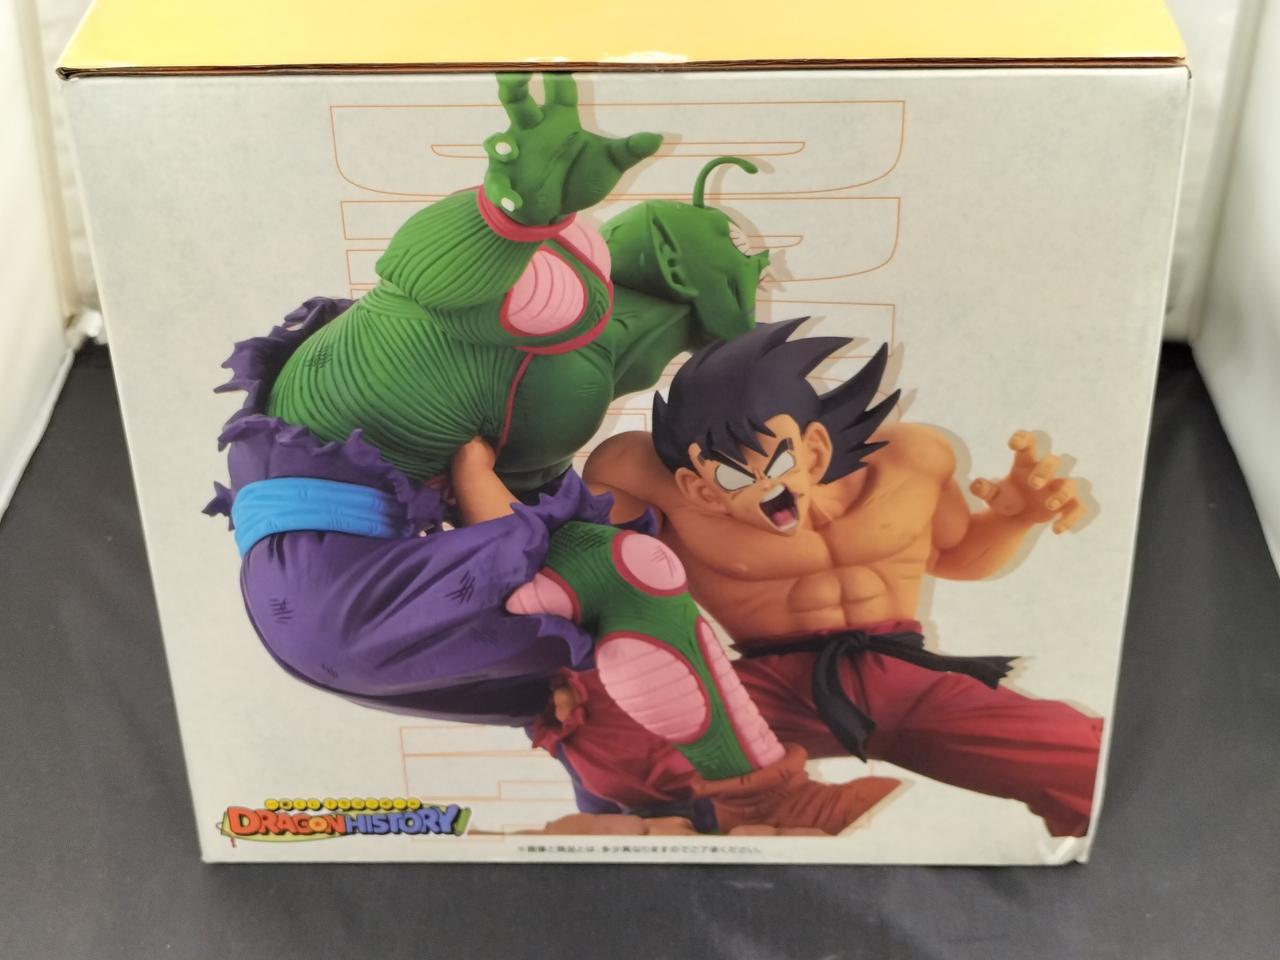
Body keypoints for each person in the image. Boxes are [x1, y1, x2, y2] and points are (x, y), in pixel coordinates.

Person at [207, 75, 892, 834]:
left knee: (590, 664)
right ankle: (763, 799)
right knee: (625, 573)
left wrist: (516, 212)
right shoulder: (490, 335)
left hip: (316, 610)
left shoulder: (532, 355)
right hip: (343, 603)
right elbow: (424, 287)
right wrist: (512, 205)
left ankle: (655, 814)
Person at [538, 319, 1101, 837]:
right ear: (699, 486)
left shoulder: (912, 460)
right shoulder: (658, 492)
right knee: (598, 725)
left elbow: (957, 556)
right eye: (733, 477)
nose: (766, 487)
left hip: (907, 679)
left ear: (813, 449)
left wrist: (1016, 518)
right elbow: (594, 567)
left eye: (778, 463)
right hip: (768, 692)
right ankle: (753, 811)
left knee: (1088, 761)